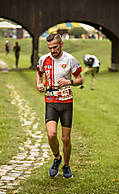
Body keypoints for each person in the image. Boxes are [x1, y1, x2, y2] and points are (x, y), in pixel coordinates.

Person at [36, 34, 82, 178]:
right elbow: (39, 73)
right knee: (51, 134)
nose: (52, 50)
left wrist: (69, 82)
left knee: (65, 138)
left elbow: (80, 78)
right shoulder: (44, 59)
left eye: (55, 47)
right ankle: (57, 158)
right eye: (50, 48)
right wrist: (38, 83)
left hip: (66, 102)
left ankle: (66, 166)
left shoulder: (70, 59)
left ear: (61, 44)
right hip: (51, 101)